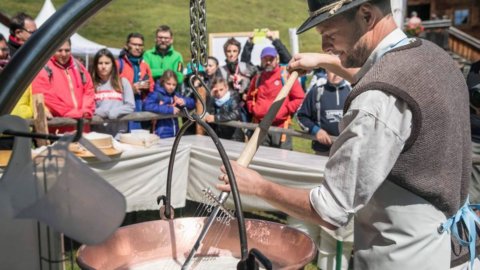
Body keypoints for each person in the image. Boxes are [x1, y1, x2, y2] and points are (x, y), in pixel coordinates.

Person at [217, 0, 472, 269]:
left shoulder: (378, 98)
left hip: (407, 258)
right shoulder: (431, 55)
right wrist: (322, 61)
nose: (326, 46)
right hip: (455, 250)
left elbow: (330, 209)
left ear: (366, 15)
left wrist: (257, 186)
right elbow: (378, 71)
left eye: (330, 34)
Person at [246, 46, 304, 150]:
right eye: (265, 59)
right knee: (261, 159)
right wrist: (254, 109)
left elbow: (299, 98)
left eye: (271, 59)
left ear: (277, 59)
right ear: (261, 60)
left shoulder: (286, 76)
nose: (268, 62)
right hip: (260, 126)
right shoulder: (257, 78)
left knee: (283, 159)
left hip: (281, 127)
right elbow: (250, 98)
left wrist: (286, 109)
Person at [32, 39, 95, 133]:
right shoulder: (43, 68)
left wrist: (86, 110)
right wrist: (70, 113)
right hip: (58, 127)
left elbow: (89, 90)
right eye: (59, 50)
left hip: (82, 126)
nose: (64, 54)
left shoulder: (78, 66)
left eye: (67, 50)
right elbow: (45, 95)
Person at [297, 70, 352, 156]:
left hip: (347, 150)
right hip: (322, 150)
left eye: (338, 69)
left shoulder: (352, 91)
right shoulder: (316, 91)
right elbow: (301, 116)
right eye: (332, 69)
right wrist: (316, 130)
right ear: (326, 71)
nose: (336, 73)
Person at [91, 49, 135, 137]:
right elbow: (88, 107)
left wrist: (112, 112)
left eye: (107, 63)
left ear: (112, 65)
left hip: (119, 133)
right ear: (95, 65)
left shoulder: (123, 82)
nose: (103, 66)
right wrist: (98, 111)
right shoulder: (91, 84)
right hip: (98, 134)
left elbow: (130, 106)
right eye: (100, 63)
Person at [117, 32, 154, 131]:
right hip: (124, 114)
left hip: (142, 113)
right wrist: (130, 90)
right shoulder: (119, 64)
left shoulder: (144, 66)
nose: (138, 47)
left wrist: (148, 88)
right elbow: (111, 89)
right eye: (134, 44)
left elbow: (152, 88)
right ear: (127, 45)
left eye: (140, 45)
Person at [143, 70, 194, 138]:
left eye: (174, 84)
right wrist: (169, 109)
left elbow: (193, 103)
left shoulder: (175, 95)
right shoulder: (156, 94)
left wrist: (184, 101)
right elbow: (147, 105)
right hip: (160, 134)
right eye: (168, 84)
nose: (171, 87)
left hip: (175, 133)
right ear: (163, 82)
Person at [204, 76, 244, 142]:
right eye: (216, 91)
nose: (219, 93)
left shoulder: (233, 98)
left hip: (234, 137)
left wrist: (216, 118)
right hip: (219, 136)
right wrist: (211, 97)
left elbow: (235, 114)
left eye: (221, 89)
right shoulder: (214, 101)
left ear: (226, 88)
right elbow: (208, 113)